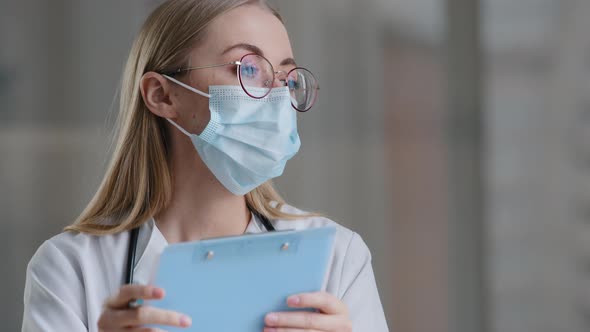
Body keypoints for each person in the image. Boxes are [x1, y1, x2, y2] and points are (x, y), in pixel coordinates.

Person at [21, 0, 389, 331]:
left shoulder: (336, 257)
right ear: (162, 94)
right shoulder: (72, 267)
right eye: (248, 69)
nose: (277, 97)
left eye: (286, 77)